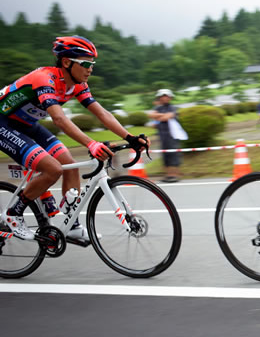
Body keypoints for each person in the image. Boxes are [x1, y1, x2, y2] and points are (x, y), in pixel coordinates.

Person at [0, 36, 148, 240]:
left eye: (92, 64)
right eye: (86, 64)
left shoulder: (77, 84)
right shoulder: (44, 79)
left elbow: (102, 113)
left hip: (28, 124)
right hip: (3, 124)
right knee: (53, 168)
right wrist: (91, 143)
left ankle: (71, 224)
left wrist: (129, 137)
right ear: (67, 62)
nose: (90, 69)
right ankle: (13, 214)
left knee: (70, 163)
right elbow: (59, 119)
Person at [147, 89, 183, 182]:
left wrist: (158, 116)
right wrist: (161, 116)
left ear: (170, 97)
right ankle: (168, 175)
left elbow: (166, 117)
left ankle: (175, 175)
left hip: (172, 135)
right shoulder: (158, 108)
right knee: (165, 155)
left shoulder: (173, 108)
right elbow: (151, 115)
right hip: (162, 135)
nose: (164, 98)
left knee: (174, 154)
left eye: (166, 96)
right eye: (162, 96)